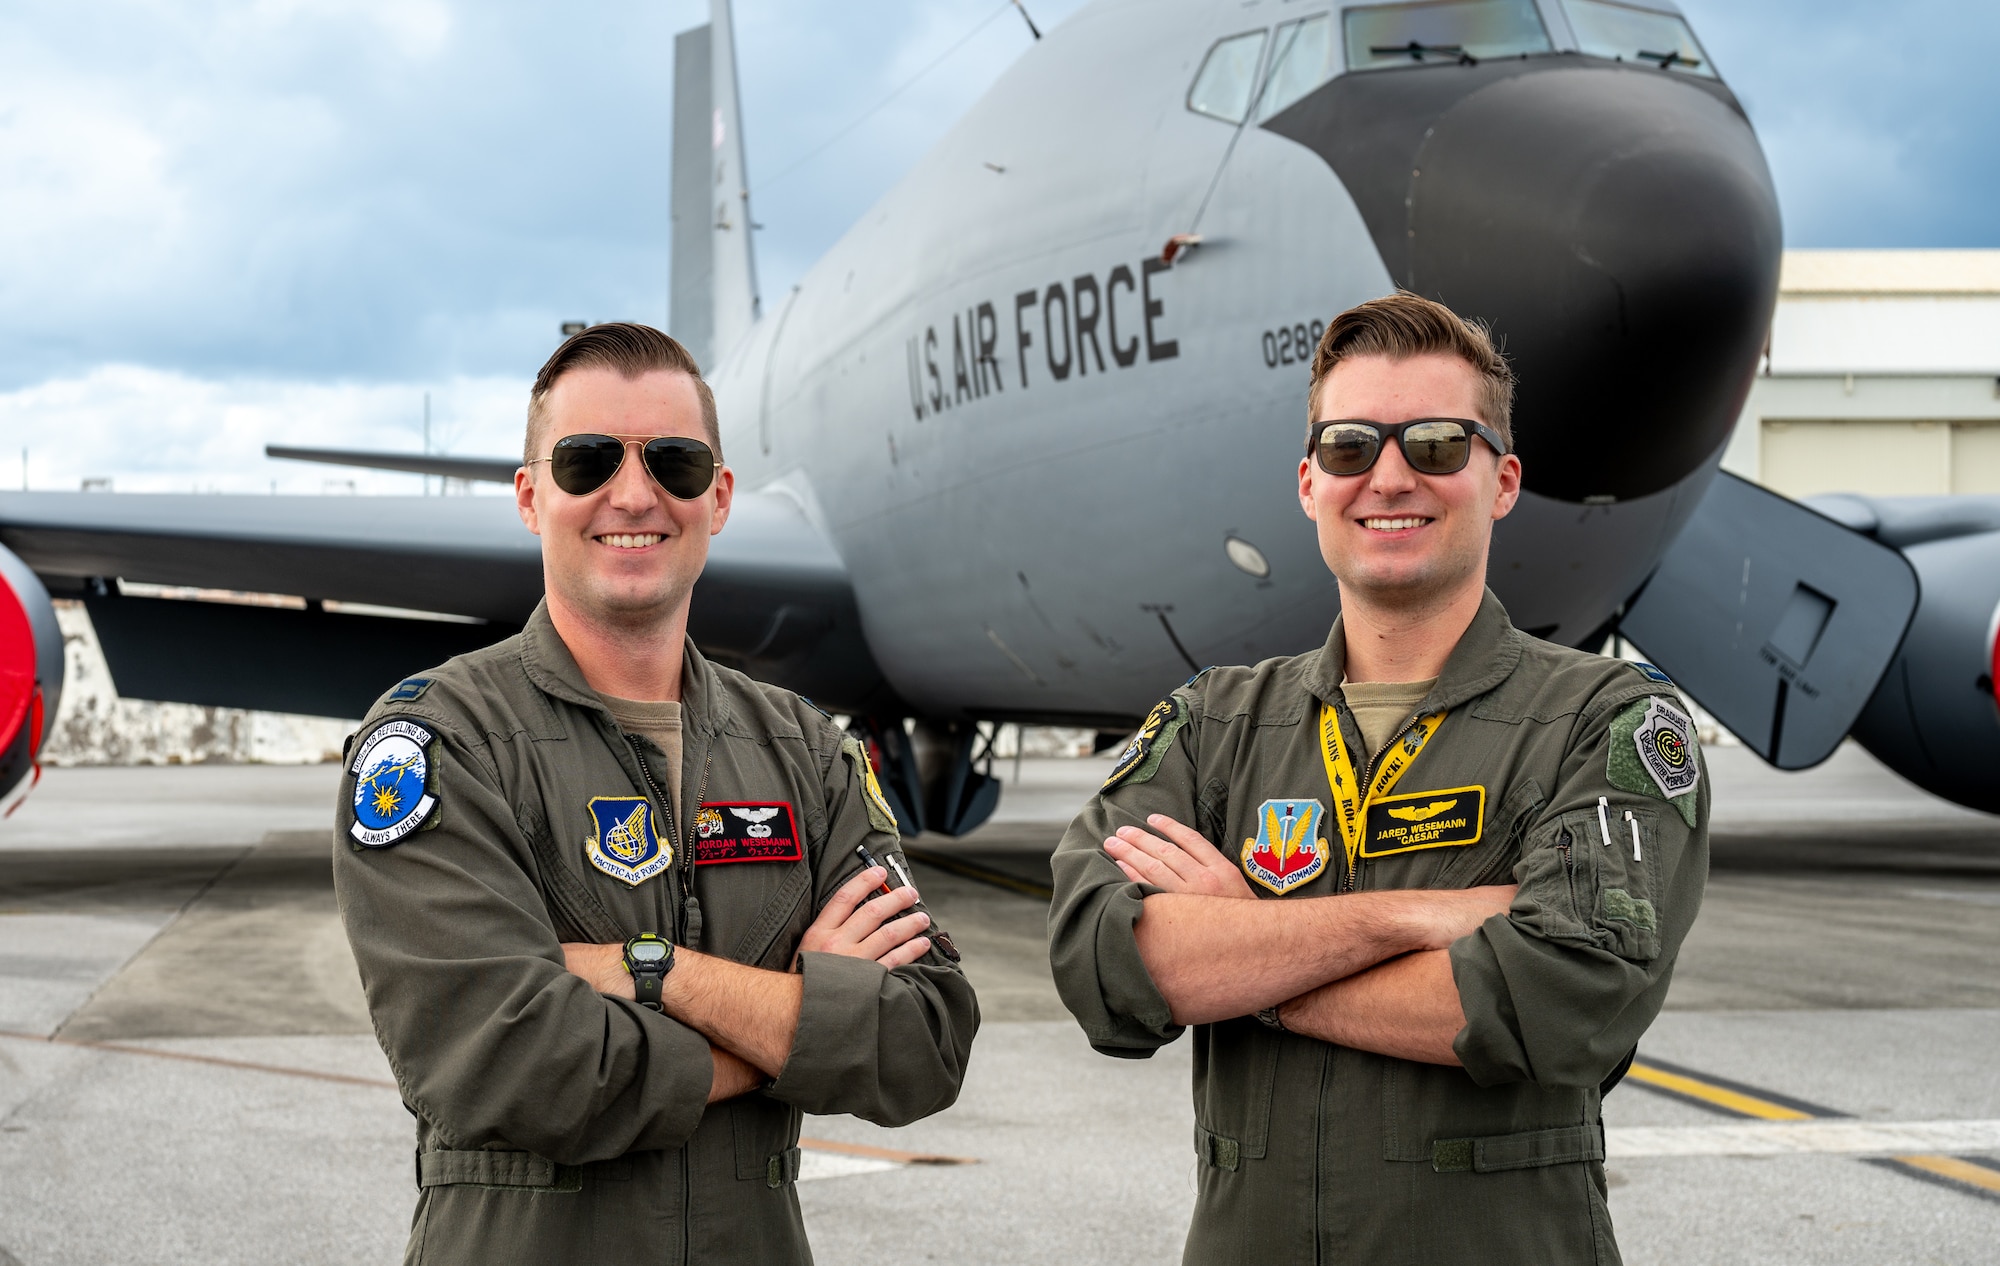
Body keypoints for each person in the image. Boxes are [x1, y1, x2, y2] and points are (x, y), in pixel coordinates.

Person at [1047, 292, 1708, 1264]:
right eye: (1352, 447)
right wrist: (1408, 921)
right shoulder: (1212, 725)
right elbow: (1101, 961)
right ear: (1310, 483)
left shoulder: (1604, 721)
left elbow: (1569, 997)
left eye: (1437, 444)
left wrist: (1242, 957)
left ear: (1502, 479)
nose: (1389, 476)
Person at [333, 323, 977, 1265]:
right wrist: (798, 1017)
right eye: (587, 459)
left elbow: (924, 1041)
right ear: (530, 495)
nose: (632, 494)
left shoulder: (802, 749)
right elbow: (510, 1067)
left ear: (717, 498)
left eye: (673, 463)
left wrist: (655, 972)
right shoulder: (439, 744)